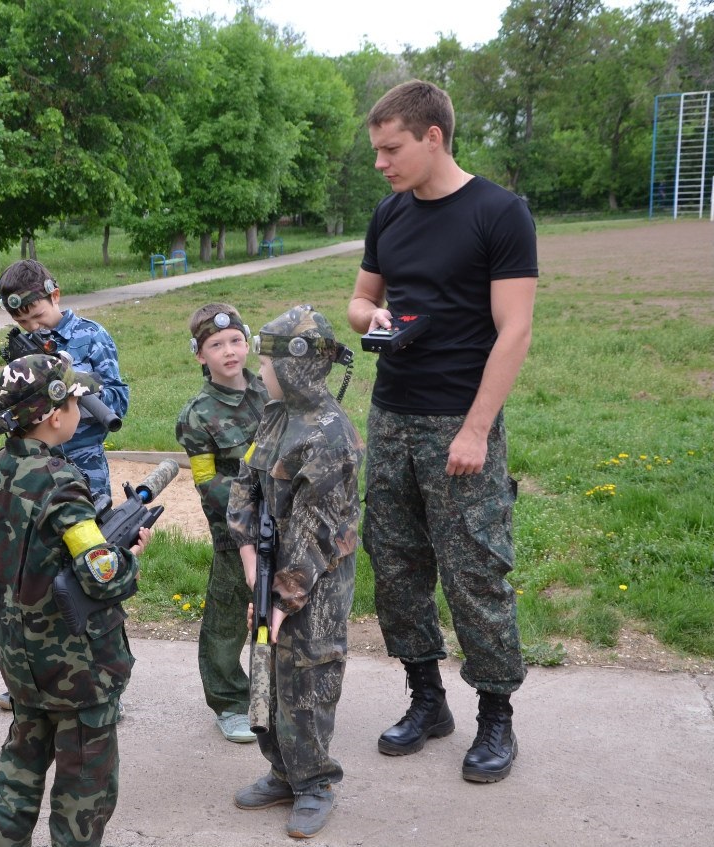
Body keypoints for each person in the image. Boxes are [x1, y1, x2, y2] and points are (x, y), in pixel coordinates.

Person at [347, 79, 537, 783]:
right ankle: (426, 699)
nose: (380, 163)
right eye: (376, 150)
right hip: (390, 414)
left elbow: (515, 329)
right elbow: (360, 298)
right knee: (396, 565)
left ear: (433, 138)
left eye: (391, 149)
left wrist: (476, 429)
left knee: (474, 569)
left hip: (459, 420)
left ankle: (496, 714)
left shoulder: (499, 212)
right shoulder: (389, 214)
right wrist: (370, 317)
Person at [0, 352, 151, 847]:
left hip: (21, 658)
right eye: (77, 402)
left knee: (19, 771)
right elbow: (100, 574)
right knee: (84, 787)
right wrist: (130, 556)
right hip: (76, 667)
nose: (81, 411)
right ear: (55, 414)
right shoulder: (61, 482)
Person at [226, 305, 363, 840]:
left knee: (307, 675)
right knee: (267, 668)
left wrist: (280, 602)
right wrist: (251, 567)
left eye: (267, 363)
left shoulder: (330, 437)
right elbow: (246, 483)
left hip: (316, 579)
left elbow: (316, 534)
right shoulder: (276, 414)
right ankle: (283, 771)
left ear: (297, 365)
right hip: (270, 569)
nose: (260, 371)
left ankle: (315, 783)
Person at [0, 258, 130, 711]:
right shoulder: (22, 347)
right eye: (23, 322)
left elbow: (118, 401)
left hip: (84, 466)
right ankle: (35, 673)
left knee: (91, 570)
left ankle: (102, 675)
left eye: (38, 316)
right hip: (36, 471)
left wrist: (78, 383)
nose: (33, 327)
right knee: (36, 572)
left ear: (56, 295)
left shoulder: (91, 336)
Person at [174, 303, 267, 744]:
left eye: (235, 341)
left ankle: (276, 690)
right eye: (216, 345)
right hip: (235, 530)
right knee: (228, 618)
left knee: (280, 606)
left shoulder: (269, 389)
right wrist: (254, 503)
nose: (229, 351)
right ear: (199, 354)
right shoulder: (197, 415)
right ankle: (229, 702)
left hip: (288, 520)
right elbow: (206, 481)